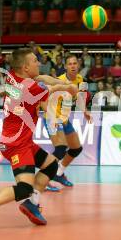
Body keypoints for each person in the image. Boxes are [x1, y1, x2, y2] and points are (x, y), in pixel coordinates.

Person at [0, 48, 78, 231]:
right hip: (16, 145)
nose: (39, 63)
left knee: (51, 165)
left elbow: (43, 79)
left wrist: (60, 82)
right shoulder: (28, 87)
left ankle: (32, 204)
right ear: (26, 67)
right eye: (35, 61)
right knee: (24, 188)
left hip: (24, 142)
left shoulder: (14, 76)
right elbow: (50, 87)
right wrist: (68, 87)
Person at [43, 54, 92, 191]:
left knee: (76, 148)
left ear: (78, 65)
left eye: (75, 63)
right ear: (65, 67)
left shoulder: (80, 79)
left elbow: (79, 97)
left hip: (65, 119)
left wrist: (85, 111)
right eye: (70, 64)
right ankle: (44, 178)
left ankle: (58, 173)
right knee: (60, 149)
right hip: (53, 118)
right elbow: (44, 97)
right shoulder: (59, 81)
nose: (72, 66)